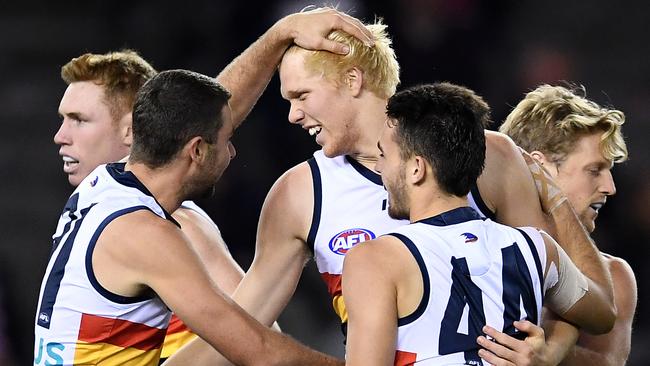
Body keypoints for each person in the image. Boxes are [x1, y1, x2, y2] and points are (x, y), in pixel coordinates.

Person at [167, 10, 614, 364]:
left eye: (301, 96)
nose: (292, 116)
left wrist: (551, 352)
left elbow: (553, 292)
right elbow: (237, 328)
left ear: (352, 79)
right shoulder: (300, 193)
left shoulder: (488, 154)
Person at [51, 8, 372, 362]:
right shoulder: (156, 230)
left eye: (78, 120)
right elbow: (260, 349)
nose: (60, 137)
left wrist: (279, 35)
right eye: (226, 140)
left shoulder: (99, 188)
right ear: (197, 149)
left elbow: (208, 113)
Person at [342, 82, 615, 365]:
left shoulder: (376, 259)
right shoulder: (537, 249)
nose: (378, 168)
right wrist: (557, 200)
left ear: (416, 168)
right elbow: (603, 313)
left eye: (384, 156)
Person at [489, 84, 637, 366]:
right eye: (594, 170)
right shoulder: (468, 246)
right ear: (540, 168)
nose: (610, 187)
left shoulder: (614, 275)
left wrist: (548, 354)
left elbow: (607, 362)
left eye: (609, 171)